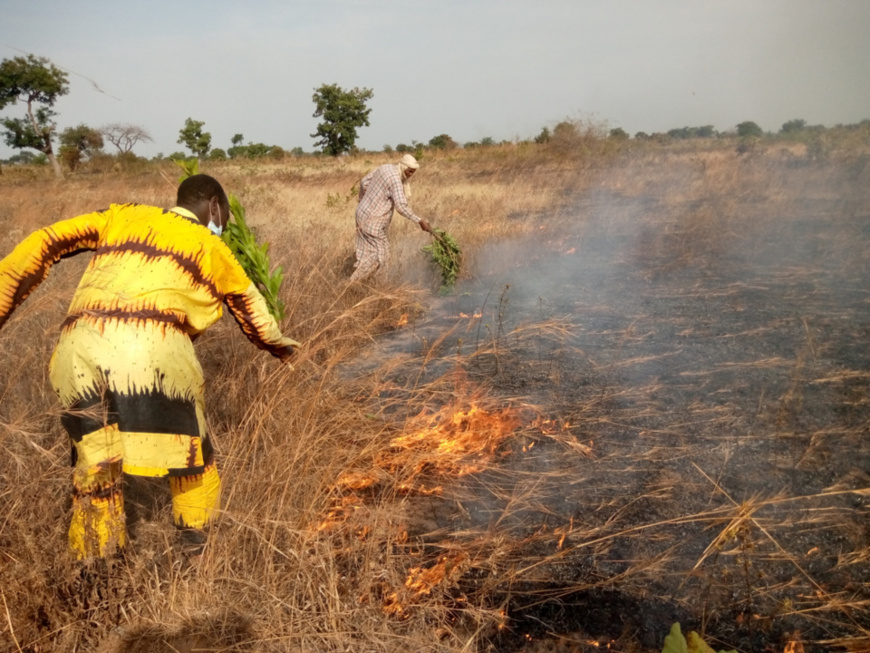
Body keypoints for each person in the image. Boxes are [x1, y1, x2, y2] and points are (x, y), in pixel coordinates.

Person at [0, 174, 299, 560]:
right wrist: (283, 350)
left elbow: (43, 242)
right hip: (154, 353)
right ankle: (194, 553)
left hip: (77, 352)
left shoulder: (121, 215)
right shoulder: (210, 244)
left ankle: (96, 567)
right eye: (224, 217)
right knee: (193, 461)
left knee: (97, 467)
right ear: (213, 207)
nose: (223, 225)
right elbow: (252, 309)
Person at [350, 153, 433, 281]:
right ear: (403, 166)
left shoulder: (386, 167)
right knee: (381, 255)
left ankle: (365, 284)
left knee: (369, 253)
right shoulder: (395, 179)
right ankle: (356, 284)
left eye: (413, 172)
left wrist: (364, 200)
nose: (410, 174)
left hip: (361, 214)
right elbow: (401, 206)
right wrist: (420, 221)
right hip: (373, 221)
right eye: (409, 171)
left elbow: (364, 182)